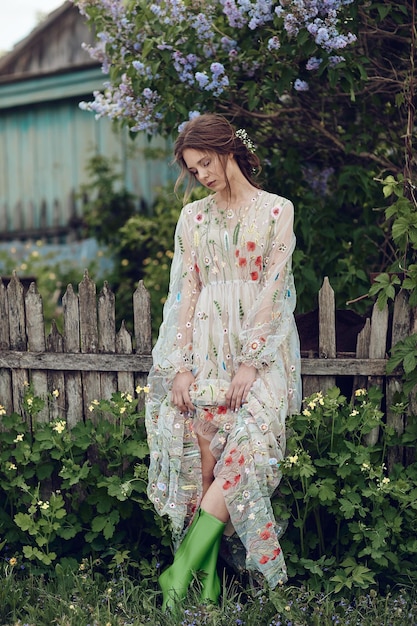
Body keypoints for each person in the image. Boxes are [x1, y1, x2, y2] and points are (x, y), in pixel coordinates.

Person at [145, 113, 301, 610]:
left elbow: (275, 292)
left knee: (248, 454)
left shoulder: (278, 211)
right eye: (194, 170)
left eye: (206, 163)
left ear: (228, 150)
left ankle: (182, 568)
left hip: (259, 358)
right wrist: (181, 365)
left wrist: (252, 363)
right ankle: (206, 584)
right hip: (205, 357)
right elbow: (185, 294)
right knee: (207, 464)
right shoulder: (192, 218)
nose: (203, 175)